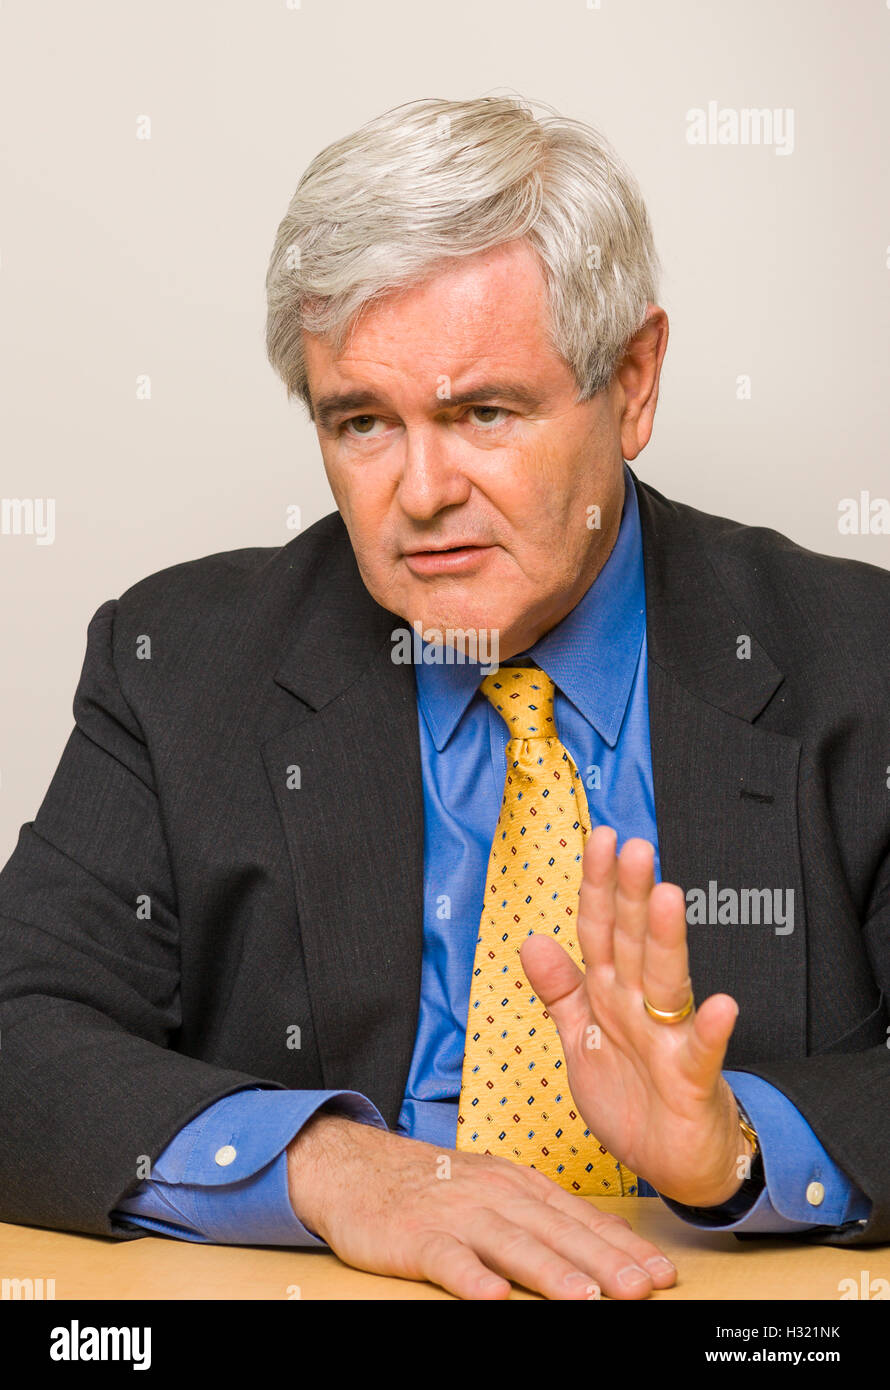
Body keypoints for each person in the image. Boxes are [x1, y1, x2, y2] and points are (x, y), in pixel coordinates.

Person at [1, 95, 887, 1303]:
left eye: (483, 412)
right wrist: (325, 1165)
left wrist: (734, 1143)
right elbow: (18, 1028)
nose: (421, 492)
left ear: (630, 382)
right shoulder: (176, 662)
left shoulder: (857, 657)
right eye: (362, 421)